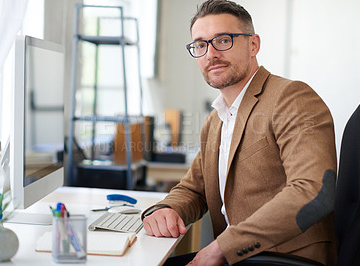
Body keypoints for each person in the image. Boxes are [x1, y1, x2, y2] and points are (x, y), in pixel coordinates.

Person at [142, 0, 337, 265]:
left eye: (223, 40)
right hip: (242, 256)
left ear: (253, 44)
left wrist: (222, 246)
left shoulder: (291, 98)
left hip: (284, 257)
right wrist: (166, 209)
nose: (211, 54)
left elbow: (312, 190)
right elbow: (194, 188)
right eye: (200, 45)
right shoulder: (217, 119)